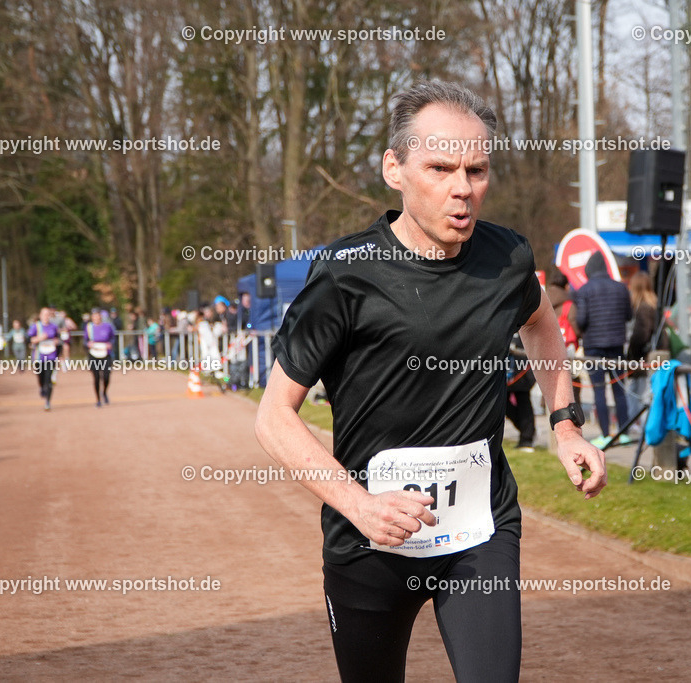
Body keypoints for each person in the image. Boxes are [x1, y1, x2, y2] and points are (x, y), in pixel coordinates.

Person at [254, 80, 605, 683]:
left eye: (477, 169)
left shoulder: (507, 258)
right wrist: (360, 505)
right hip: (371, 539)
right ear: (394, 168)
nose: (462, 189)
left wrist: (565, 425)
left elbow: (543, 325)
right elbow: (273, 416)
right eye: (440, 168)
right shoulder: (345, 274)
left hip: (479, 529)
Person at [574, 251, 633, 449]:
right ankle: (624, 433)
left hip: (593, 348)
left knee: (599, 391)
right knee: (619, 389)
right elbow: (628, 315)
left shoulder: (584, 291)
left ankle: (606, 434)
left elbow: (581, 320)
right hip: (617, 344)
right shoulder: (621, 288)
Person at [626, 271, 667, 427]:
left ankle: (645, 428)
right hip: (654, 357)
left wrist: (631, 355)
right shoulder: (655, 305)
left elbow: (640, 335)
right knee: (650, 394)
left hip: (645, 358)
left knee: (641, 395)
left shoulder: (643, 308)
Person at [546, 269, 582, 408]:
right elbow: (575, 326)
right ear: (565, 286)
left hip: (548, 345)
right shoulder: (569, 304)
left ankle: (551, 405)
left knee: (551, 377)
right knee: (572, 379)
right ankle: (573, 407)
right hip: (567, 348)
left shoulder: (543, 300)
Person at [506, 333, 536, 451]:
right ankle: (527, 431)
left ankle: (526, 439)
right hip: (503, 367)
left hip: (522, 365)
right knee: (502, 403)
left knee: (524, 401)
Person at [29, 307, 61, 411]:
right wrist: (39, 338)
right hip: (39, 357)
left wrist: (56, 342)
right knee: (41, 377)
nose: (46, 316)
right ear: (40, 315)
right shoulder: (36, 326)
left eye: (48, 314)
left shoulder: (54, 327)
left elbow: (58, 339)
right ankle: (42, 387)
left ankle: (48, 402)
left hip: (51, 356)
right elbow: (29, 340)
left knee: (49, 379)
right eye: (44, 314)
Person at [84, 308, 115, 407]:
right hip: (94, 354)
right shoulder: (89, 327)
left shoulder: (107, 327)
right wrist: (88, 344)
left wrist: (110, 344)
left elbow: (113, 338)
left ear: (100, 317)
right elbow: (85, 341)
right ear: (92, 317)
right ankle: (98, 399)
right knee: (96, 377)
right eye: (94, 316)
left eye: (98, 315)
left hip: (105, 354)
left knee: (106, 376)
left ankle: (104, 392)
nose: (96, 318)